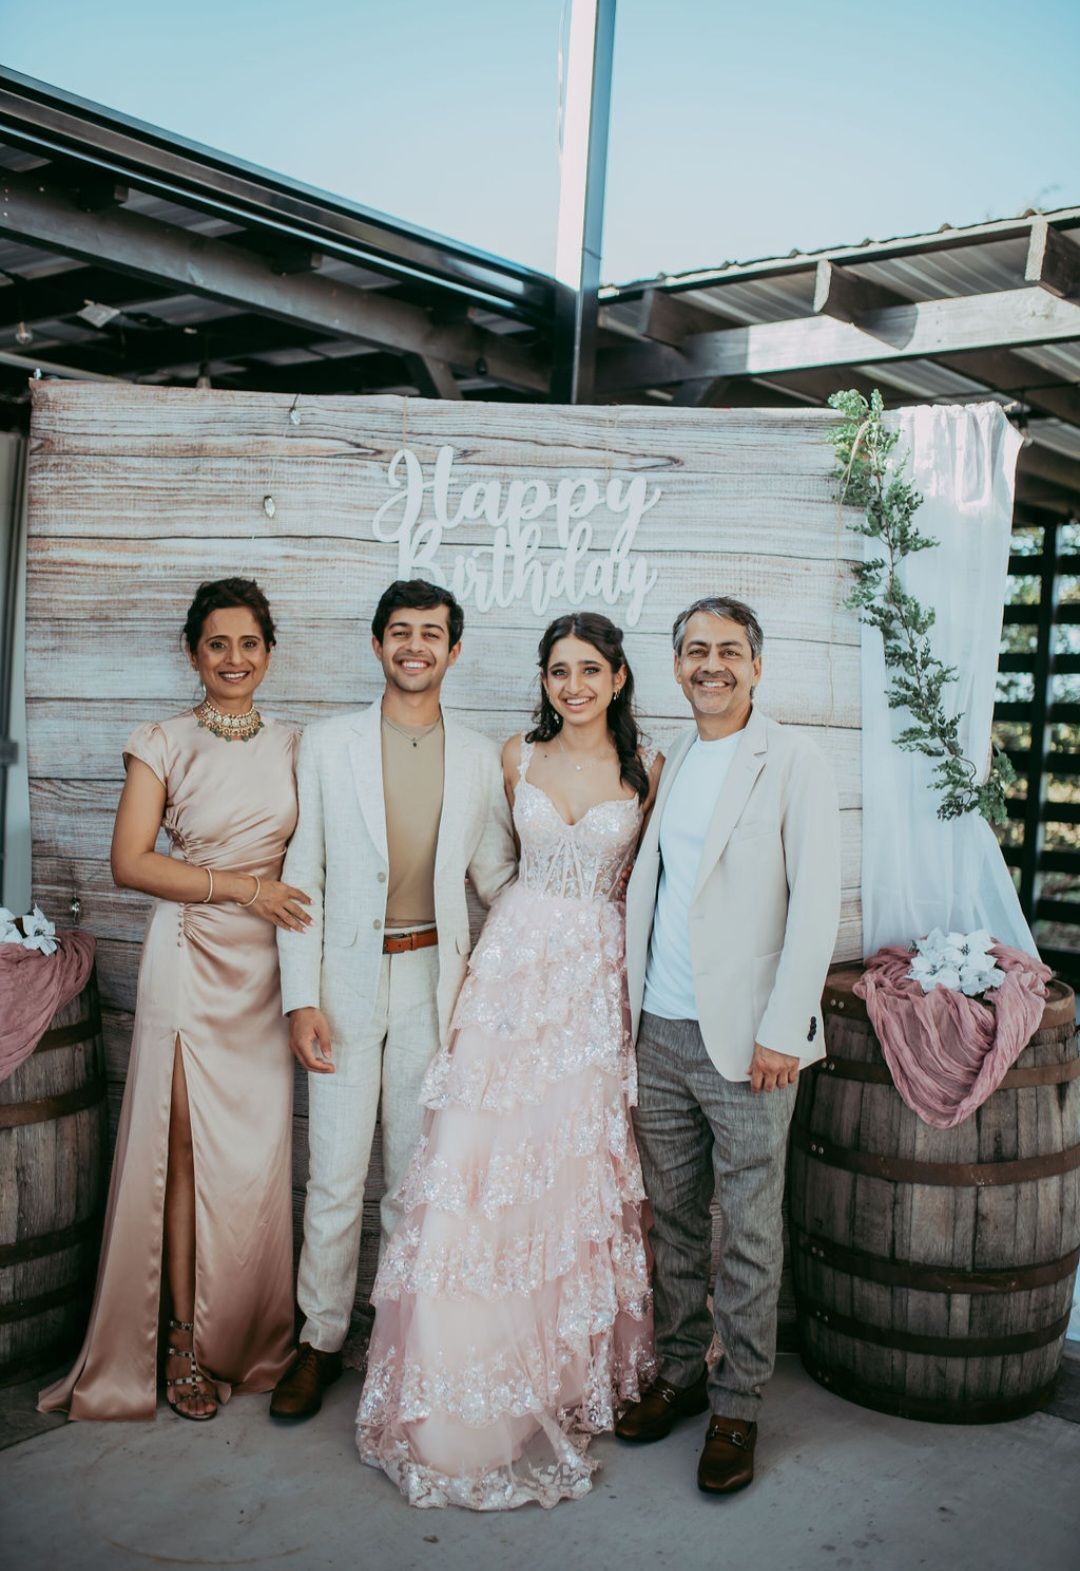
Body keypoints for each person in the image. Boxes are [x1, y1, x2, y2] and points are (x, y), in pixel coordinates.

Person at [357, 611, 662, 1511]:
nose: (572, 685)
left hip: (593, 982)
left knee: (571, 1167)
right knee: (481, 1164)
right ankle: (461, 1369)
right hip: (512, 974)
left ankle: (565, 1368)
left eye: (589, 670)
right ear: (544, 678)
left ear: (616, 678)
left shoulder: (650, 771)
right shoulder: (511, 759)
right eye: (558, 670)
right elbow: (489, 858)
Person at [39, 578, 310, 1422]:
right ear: (194, 652)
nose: (234, 659)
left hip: (269, 972)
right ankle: (182, 1342)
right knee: (186, 1153)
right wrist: (242, 888)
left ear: (269, 652)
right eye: (217, 644)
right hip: (192, 958)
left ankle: (256, 1335)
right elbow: (131, 861)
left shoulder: (301, 745)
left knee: (258, 1158)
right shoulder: (161, 740)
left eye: (249, 644)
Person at [270, 579, 517, 1421]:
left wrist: (578, 905)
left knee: (415, 1177)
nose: (415, 645)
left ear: (455, 651)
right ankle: (320, 1341)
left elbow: (496, 878)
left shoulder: (482, 756)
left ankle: (402, 1340)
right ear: (377, 644)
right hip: (341, 984)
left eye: (432, 633)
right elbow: (301, 872)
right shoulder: (329, 743)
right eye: (400, 631)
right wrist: (300, 996)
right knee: (334, 1172)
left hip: (431, 985)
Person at [616, 595, 841, 1492]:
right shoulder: (668, 761)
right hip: (660, 1029)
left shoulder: (793, 758)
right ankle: (677, 1372)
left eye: (730, 650)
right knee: (670, 1219)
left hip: (751, 1041)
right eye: (696, 650)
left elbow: (816, 904)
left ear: (756, 664)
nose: (711, 663)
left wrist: (786, 1030)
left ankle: (739, 1405)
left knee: (748, 1229)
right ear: (676, 666)